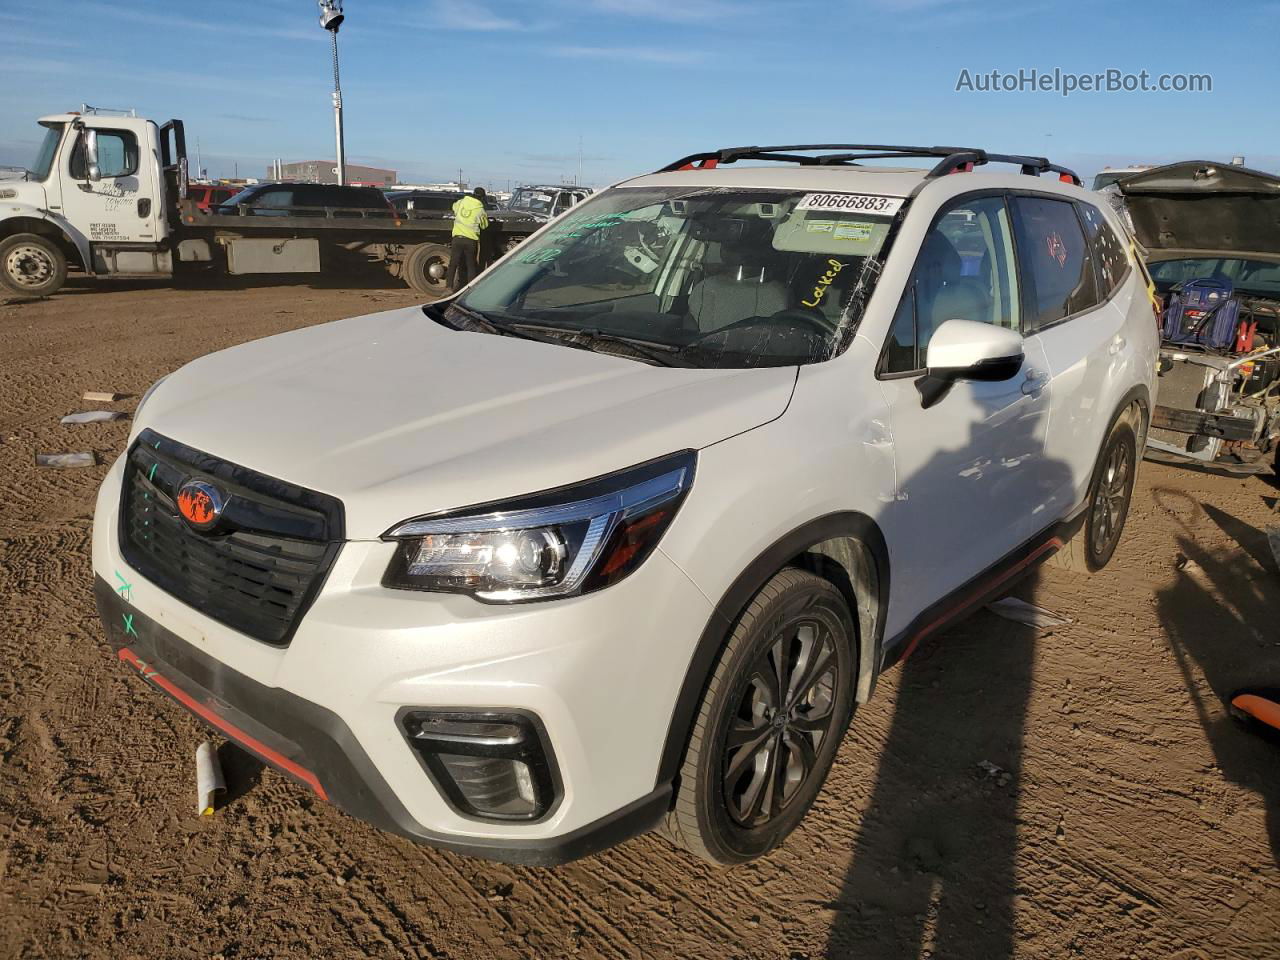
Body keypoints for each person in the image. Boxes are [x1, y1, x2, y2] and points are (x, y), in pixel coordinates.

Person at [447, 187, 489, 291]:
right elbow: (484, 226)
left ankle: (448, 288)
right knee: (471, 265)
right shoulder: (480, 209)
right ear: (482, 197)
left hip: (457, 238)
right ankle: (470, 290)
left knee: (453, 264)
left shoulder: (461, 202)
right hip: (470, 240)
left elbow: (453, 207)